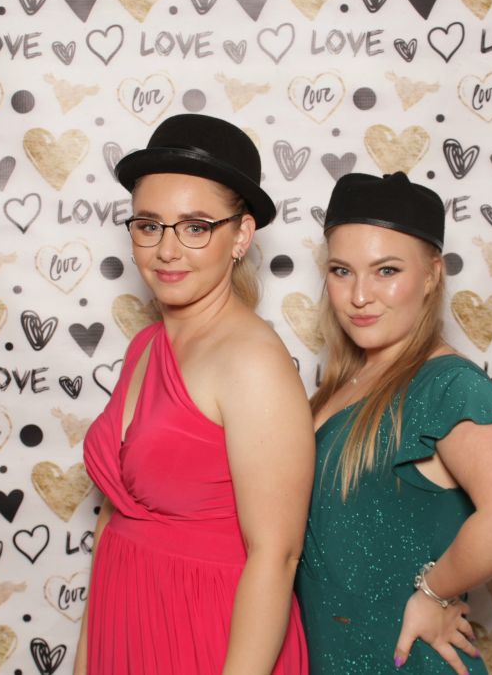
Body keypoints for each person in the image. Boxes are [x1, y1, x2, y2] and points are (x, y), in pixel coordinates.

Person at [75, 114, 313, 674]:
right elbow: (114, 515)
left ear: (241, 236)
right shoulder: (145, 346)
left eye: (196, 227)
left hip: (213, 637)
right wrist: (88, 658)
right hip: (126, 619)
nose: (166, 249)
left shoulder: (252, 361)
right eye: (149, 225)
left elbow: (276, 556)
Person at [295, 172, 492, 674]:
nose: (359, 295)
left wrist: (434, 593)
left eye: (386, 270)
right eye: (342, 271)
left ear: (432, 275)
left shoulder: (446, 384)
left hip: (402, 660)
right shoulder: (343, 383)